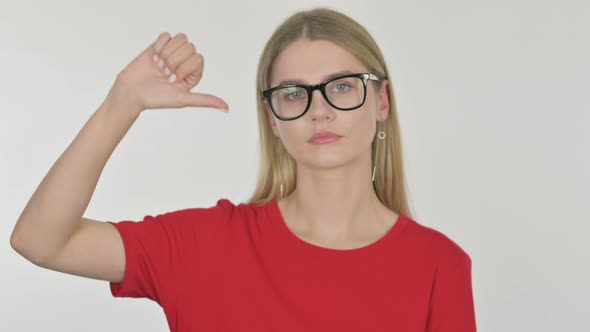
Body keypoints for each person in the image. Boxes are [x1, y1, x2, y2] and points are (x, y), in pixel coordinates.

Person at [10, 7, 476, 332]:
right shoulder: (204, 246)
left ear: (381, 102)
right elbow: (39, 240)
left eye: (342, 86)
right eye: (294, 93)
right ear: (273, 118)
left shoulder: (439, 266)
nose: (320, 110)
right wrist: (122, 103)